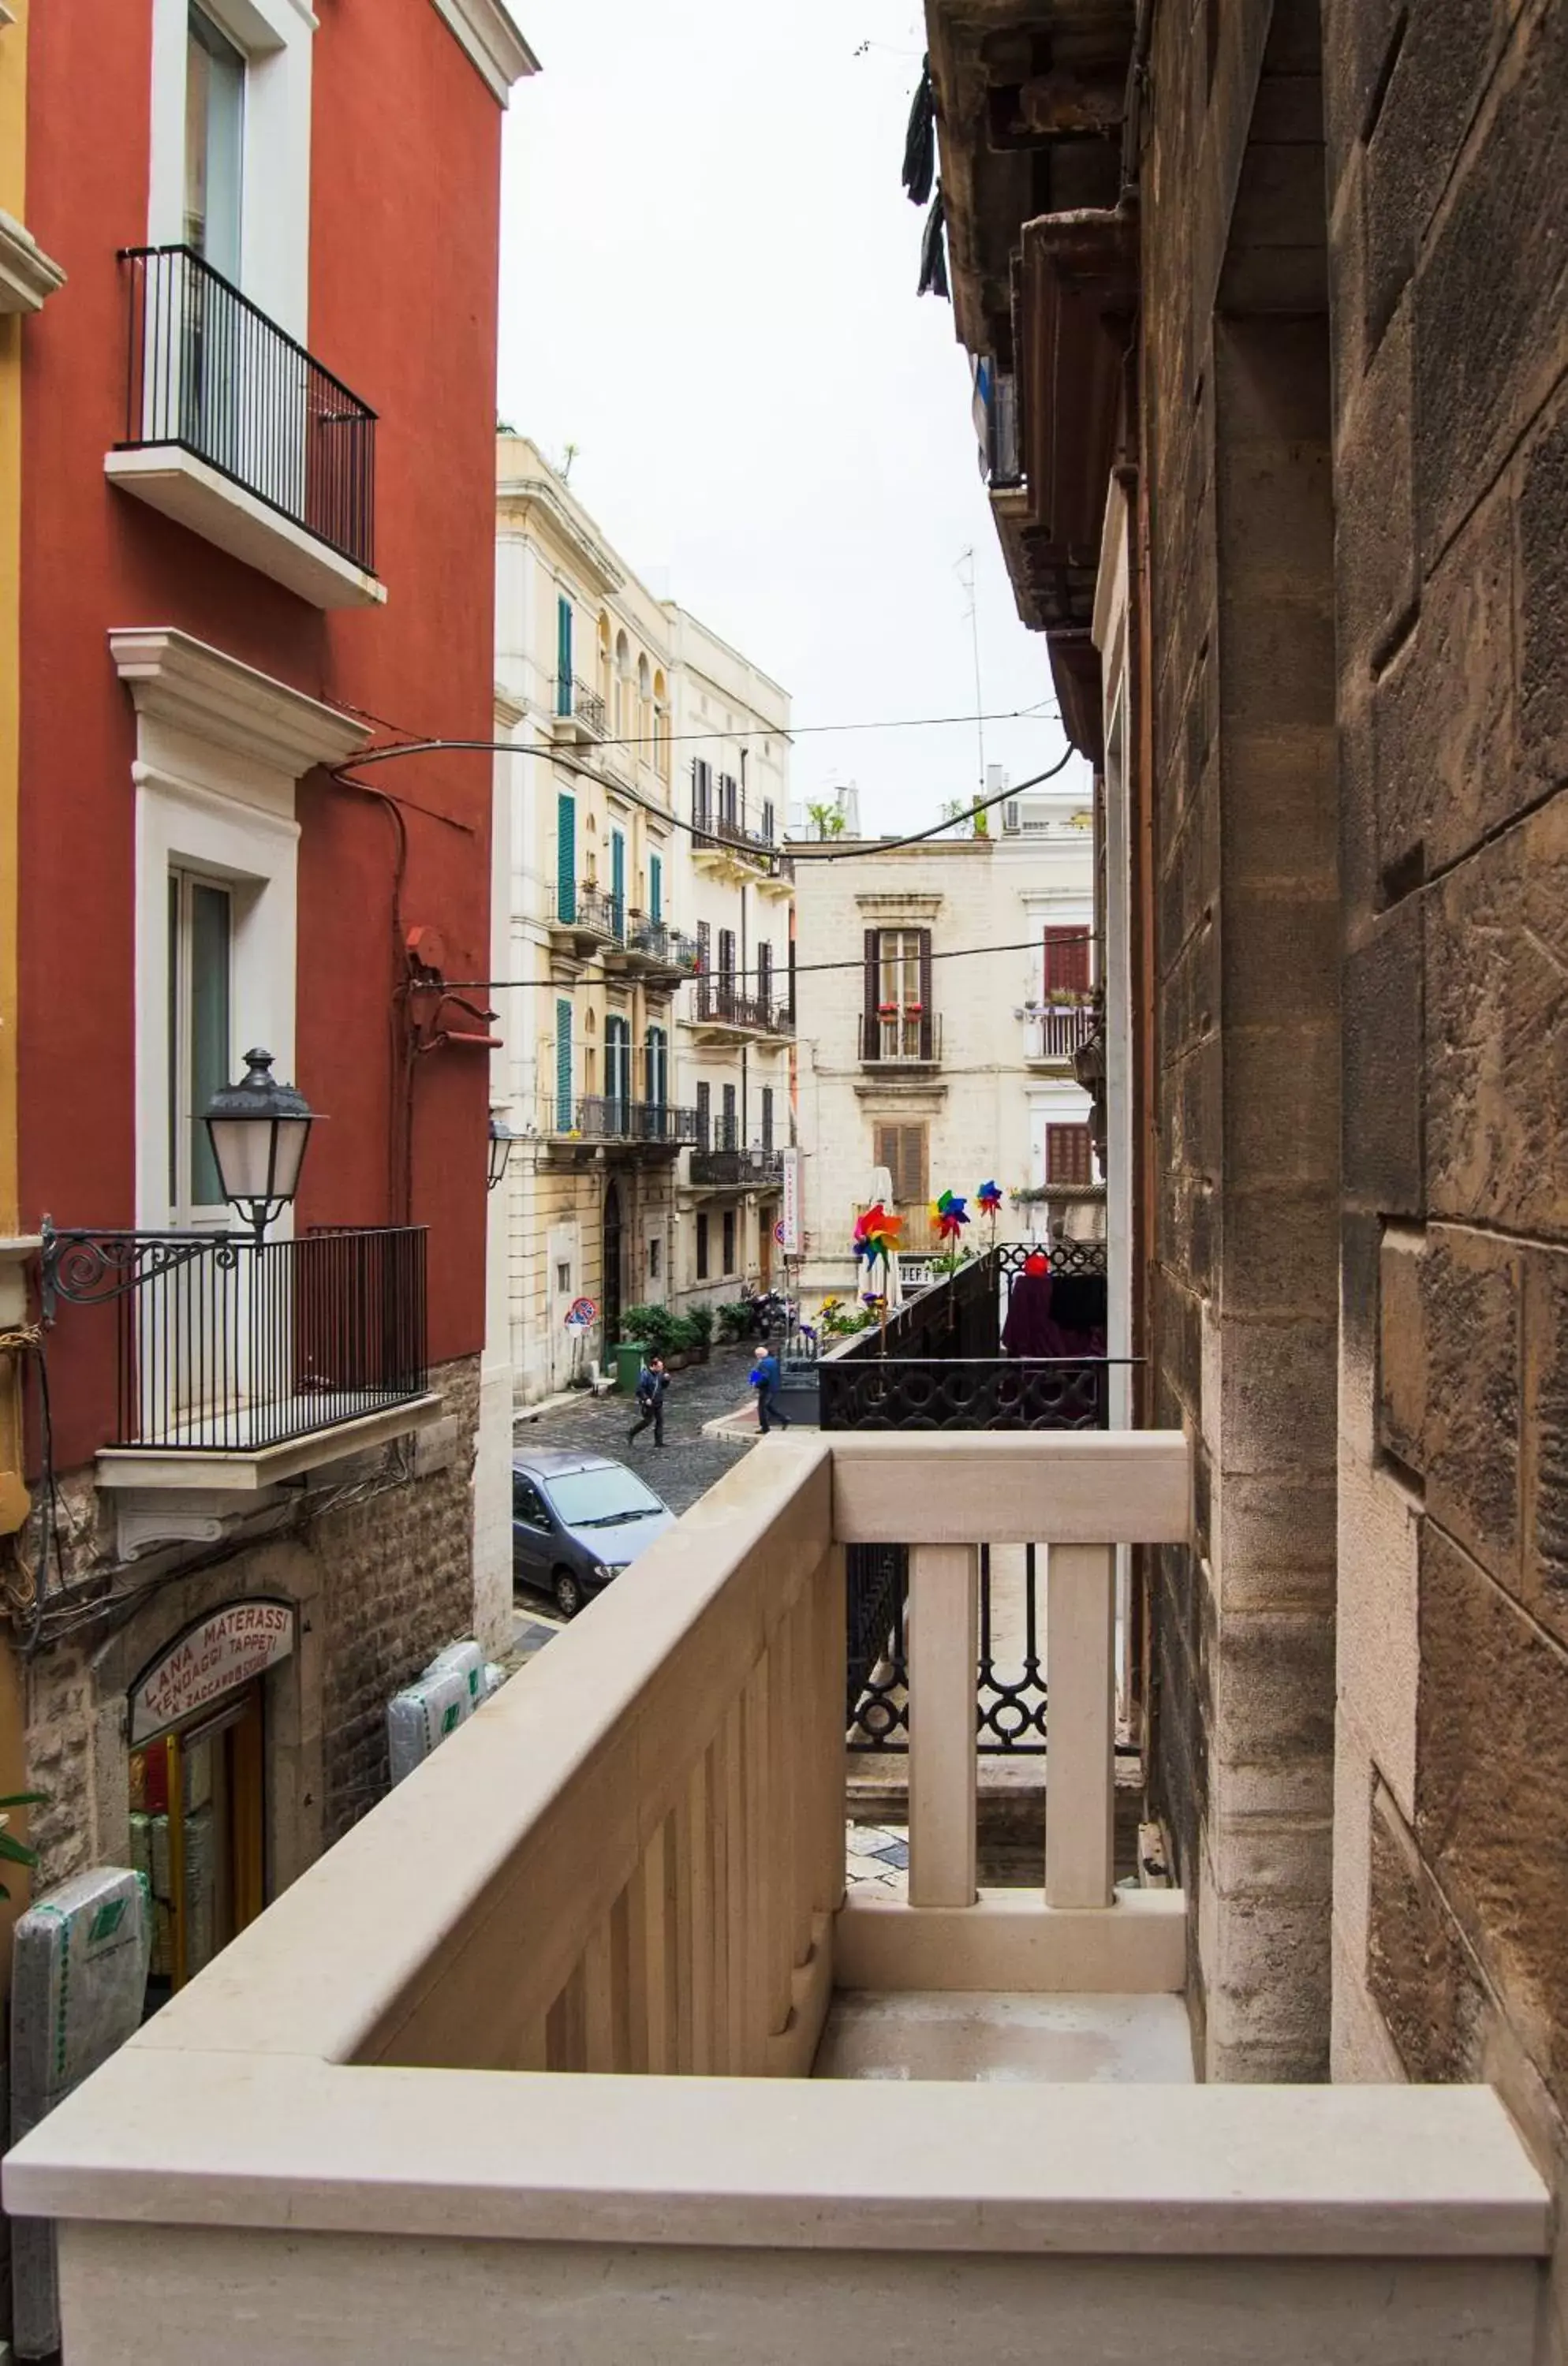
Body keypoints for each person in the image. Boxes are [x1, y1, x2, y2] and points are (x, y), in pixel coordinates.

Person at [627, 1353, 669, 1448]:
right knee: (647, 1421)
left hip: (658, 1402)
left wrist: (667, 1380)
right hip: (649, 1403)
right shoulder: (646, 1375)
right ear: (654, 1366)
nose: (661, 1369)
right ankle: (632, 1432)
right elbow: (639, 1389)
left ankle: (659, 1442)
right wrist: (646, 1399)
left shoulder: (660, 1374)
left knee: (660, 1421)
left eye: (662, 1367)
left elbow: (663, 1386)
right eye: (659, 1367)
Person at [750, 1345, 790, 1434]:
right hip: (774, 1387)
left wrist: (756, 1384)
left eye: (757, 1356)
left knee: (762, 1408)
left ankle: (765, 1427)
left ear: (759, 1355)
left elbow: (763, 1376)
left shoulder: (762, 1363)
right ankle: (783, 1419)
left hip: (766, 1389)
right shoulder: (773, 1361)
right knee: (768, 1406)